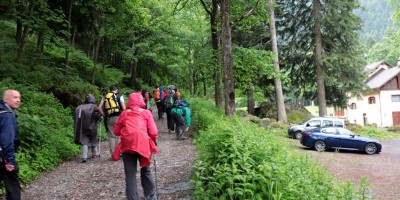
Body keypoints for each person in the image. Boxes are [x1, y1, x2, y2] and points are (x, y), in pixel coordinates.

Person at [112, 92, 158, 200]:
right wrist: (153, 140)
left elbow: (116, 131)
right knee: (145, 169)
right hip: (142, 144)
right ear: (141, 101)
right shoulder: (146, 113)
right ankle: (150, 195)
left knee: (130, 175)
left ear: (129, 102)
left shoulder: (124, 113)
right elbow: (154, 132)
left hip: (127, 146)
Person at [0, 89, 22, 200]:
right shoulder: (7, 115)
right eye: (15, 97)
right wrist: (10, 161)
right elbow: (7, 140)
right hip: (3, 157)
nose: (18, 100)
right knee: (13, 188)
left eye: (19, 98)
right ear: (5, 99)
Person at [98, 85, 126, 158]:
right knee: (119, 135)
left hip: (109, 118)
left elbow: (99, 107)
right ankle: (118, 153)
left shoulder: (105, 97)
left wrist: (103, 114)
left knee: (111, 136)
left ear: (110, 90)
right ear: (116, 90)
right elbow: (123, 108)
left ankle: (113, 154)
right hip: (119, 118)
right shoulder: (120, 96)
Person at [73, 94, 102, 163]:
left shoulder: (80, 107)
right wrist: (100, 118)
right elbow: (97, 115)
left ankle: (84, 157)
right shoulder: (94, 106)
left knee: (84, 141)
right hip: (92, 126)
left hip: (81, 127)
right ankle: (95, 153)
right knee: (93, 138)